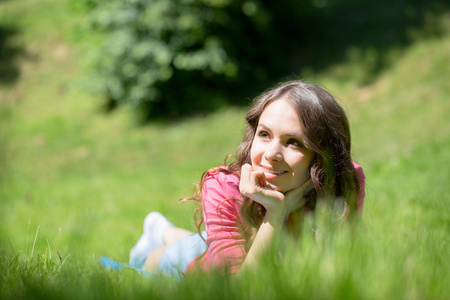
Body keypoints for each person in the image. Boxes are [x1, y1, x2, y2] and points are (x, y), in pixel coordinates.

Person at [118, 80, 366, 278]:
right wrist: (276, 212)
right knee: (164, 259)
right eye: (265, 134)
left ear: (322, 156)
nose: (271, 155)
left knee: (205, 241)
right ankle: (158, 237)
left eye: (294, 142)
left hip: (227, 244)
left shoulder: (344, 180)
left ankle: (161, 229)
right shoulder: (225, 187)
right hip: (195, 268)